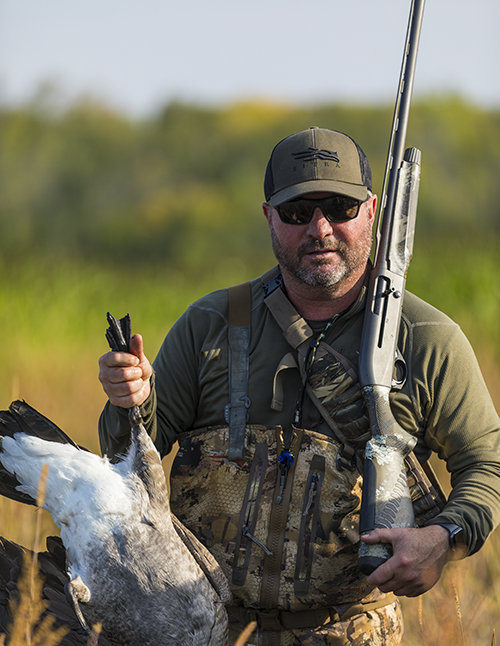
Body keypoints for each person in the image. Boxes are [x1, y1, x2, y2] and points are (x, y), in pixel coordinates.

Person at [98, 127, 500, 646]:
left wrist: (441, 540)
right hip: (207, 630)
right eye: (297, 213)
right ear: (268, 217)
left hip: (351, 631)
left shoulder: (427, 339)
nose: (321, 228)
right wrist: (128, 403)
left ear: (373, 210)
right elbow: (125, 464)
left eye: (340, 207)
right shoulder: (210, 325)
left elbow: (487, 465)